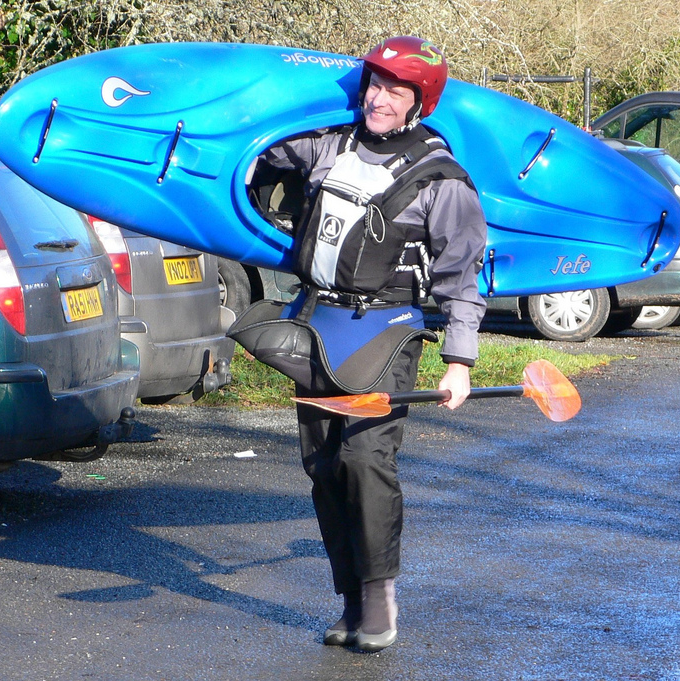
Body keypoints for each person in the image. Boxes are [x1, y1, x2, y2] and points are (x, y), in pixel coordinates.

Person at [237, 36, 487, 652]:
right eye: (374, 84)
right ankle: (350, 601)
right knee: (322, 465)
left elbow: (462, 275)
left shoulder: (442, 180)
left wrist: (459, 360)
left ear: (417, 102)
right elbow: (250, 155)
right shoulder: (327, 146)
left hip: (387, 331)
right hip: (317, 323)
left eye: (394, 90)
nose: (378, 98)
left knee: (364, 459)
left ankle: (379, 600)